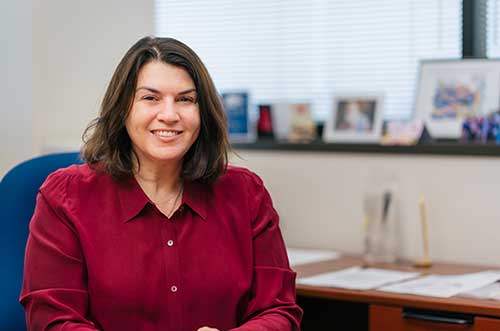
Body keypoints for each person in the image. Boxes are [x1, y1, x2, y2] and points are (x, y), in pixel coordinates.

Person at [20, 36, 303, 331]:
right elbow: (53, 321)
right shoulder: (65, 196)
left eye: (185, 99)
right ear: (122, 109)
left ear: (203, 113)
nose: (169, 115)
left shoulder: (246, 193)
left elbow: (279, 311)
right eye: (150, 98)